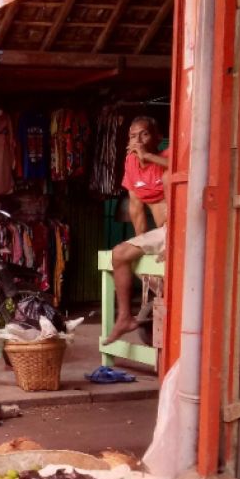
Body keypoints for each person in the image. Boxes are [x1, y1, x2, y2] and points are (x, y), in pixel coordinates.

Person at [103, 118, 169, 345]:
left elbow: (182, 174)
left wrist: (148, 157)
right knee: (118, 254)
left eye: (144, 135)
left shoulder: (169, 157)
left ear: (157, 138)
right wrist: (139, 242)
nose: (138, 141)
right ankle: (124, 317)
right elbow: (136, 207)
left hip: (179, 229)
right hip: (160, 234)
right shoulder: (130, 162)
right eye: (133, 136)